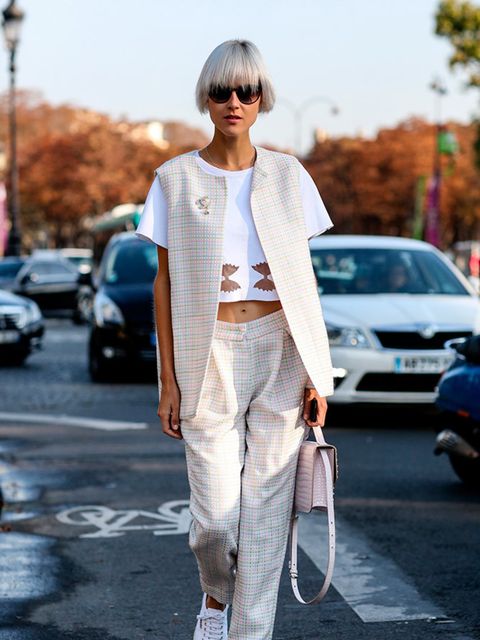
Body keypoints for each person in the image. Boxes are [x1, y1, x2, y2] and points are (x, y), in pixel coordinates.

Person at [135, 39, 334, 640]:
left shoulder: (288, 176)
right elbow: (163, 282)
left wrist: (316, 376)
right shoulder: (173, 178)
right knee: (216, 522)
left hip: (280, 348)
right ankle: (216, 596)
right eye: (222, 90)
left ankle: (249, 634)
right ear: (206, 96)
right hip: (206, 352)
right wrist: (167, 380)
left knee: (268, 518)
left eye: (246, 91)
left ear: (261, 98)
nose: (234, 101)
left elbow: (304, 279)